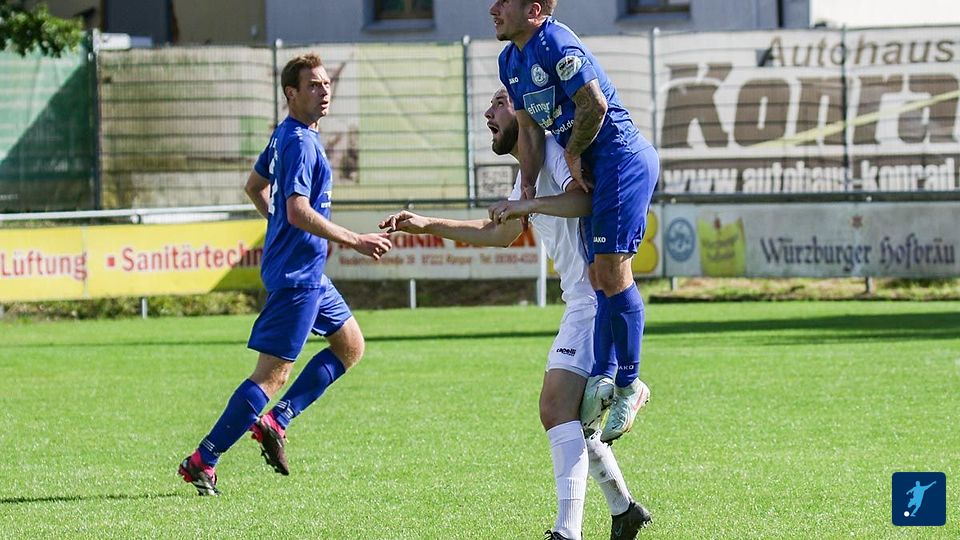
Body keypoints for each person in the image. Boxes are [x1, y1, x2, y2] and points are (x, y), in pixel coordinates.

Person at [379, 88, 651, 540]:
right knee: (572, 419)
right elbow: (498, 232)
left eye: (500, 102)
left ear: (526, 114)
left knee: (556, 408)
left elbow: (585, 200)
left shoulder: (556, 151)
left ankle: (568, 532)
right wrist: (425, 223)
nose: (489, 112)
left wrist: (528, 205)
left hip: (595, 300)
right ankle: (624, 511)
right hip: (580, 301)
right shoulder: (530, 168)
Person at [177, 53, 393, 496]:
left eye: (327, 83)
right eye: (313, 85)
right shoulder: (298, 143)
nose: (324, 91)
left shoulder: (289, 135)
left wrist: (279, 225)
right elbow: (296, 210)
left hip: (308, 272)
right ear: (291, 93)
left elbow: (255, 187)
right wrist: (353, 239)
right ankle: (204, 460)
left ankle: (278, 420)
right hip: (298, 276)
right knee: (272, 375)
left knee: (350, 344)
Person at [489, 0, 661, 444]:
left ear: (534, 10)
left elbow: (594, 105)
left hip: (621, 161)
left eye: (504, 2)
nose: (492, 8)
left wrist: (572, 152)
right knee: (596, 276)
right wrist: (527, 187)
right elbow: (529, 131)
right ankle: (604, 376)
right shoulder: (510, 60)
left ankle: (629, 385)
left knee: (611, 272)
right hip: (596, 168)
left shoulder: (557, 43)